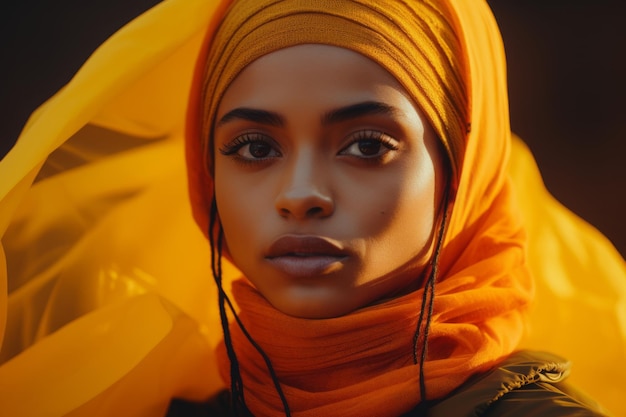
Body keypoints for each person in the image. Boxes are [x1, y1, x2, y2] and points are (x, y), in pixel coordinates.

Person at [0, 0, 623, 416]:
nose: (299, 194)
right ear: (204, 173)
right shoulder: (163, 402)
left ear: (465, 168)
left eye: (367, 145)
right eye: (254, 146)